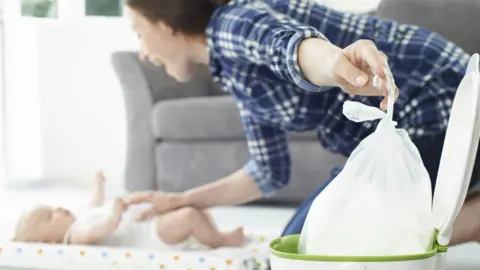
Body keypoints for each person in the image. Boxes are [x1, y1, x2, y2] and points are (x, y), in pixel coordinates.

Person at [124, 0, 480, 246]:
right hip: (429, 112)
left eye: (138, 31)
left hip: (439, 99)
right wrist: (183, 200)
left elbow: (290, 48)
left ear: (165, 22)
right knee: (297, 239)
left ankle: (471, 217)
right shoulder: (232, 70)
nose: (141, 51)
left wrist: (336, 63)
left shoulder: (231, 24)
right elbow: (269, 170)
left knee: (317, 241)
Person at [12, 172, 244, 249]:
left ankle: (212, 233)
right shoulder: (74, 237)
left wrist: (98, 185)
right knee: (189, 217)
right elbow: (102, 229)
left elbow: (95, 202)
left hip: (146, 222)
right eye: (51, 215)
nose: (60, 208)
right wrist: (115, 212)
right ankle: (221, 241)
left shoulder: (80, 218)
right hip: (150, 236)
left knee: (190, 207)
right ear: (48, 241)